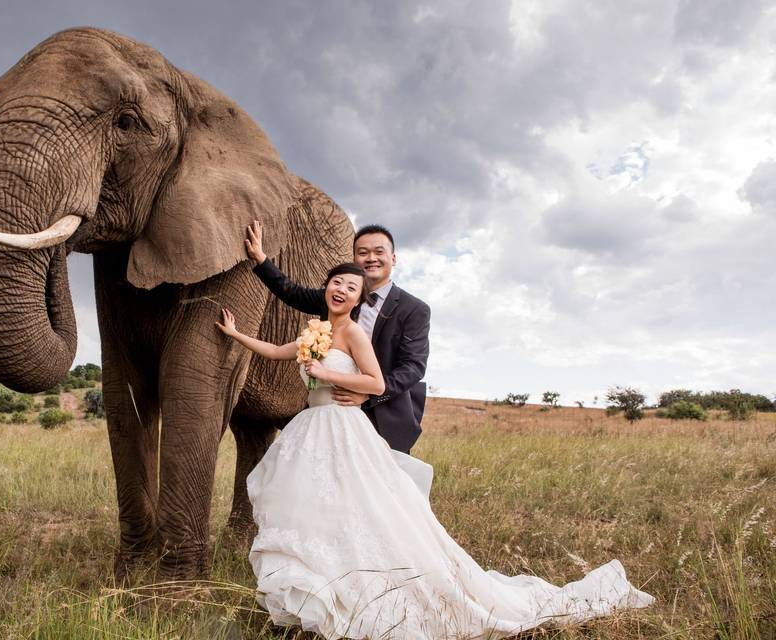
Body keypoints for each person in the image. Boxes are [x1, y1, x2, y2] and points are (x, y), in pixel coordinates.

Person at [216, 264, 654, 639]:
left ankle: (355, 590)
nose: (341, 290)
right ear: (326, 288)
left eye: (351, 287)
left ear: (357, 299)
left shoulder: (352, 333)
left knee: (356, 510)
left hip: (342, 428)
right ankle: (312, 592)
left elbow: (376, 384)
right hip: (311, 427)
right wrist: (236, 334)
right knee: (309, 508)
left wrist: (330, 375)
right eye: (336, 283)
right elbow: (276, 351)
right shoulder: (317, 330)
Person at [246, 220, 429, 454]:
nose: (371, 257)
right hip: (330, 411)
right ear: (355, 260)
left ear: (393, 258)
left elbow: (413, 366)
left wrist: (368, 394)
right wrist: (261, 259)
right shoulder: (335, 296)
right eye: (363, 253)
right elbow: (292, 292)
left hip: (384, 412)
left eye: (379, 252)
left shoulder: (414, 309)